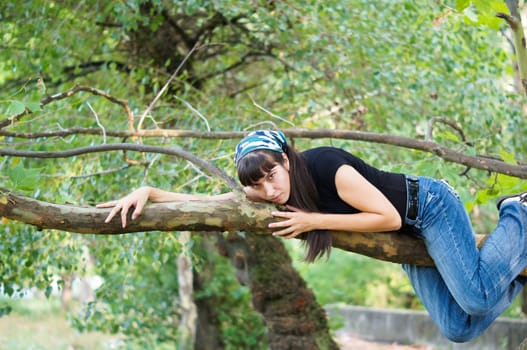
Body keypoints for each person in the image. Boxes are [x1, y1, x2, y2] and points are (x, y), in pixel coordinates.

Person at [97, 129, 527, 342]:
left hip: (427, 209)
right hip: (408, 243)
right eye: (258, 186)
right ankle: (519, 271)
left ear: (286, 158)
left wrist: (313, 221)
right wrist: (147, 192)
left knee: (475, 298)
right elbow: (204, 203)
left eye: (272, 174)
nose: (270, 190)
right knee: (458, 330)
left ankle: (517, 212)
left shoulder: (324, 165)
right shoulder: (272, 194)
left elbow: (388, 217)